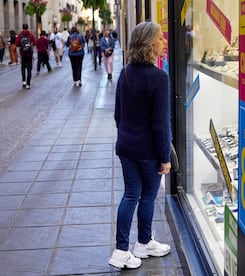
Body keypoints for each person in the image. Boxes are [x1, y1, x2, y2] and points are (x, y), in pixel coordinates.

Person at [109, 21, 171, 269]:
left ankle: (125, 249)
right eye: (160, 38)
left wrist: (128, 136)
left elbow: (117, 115)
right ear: (149, 44)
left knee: (130, 195)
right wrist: (165, 158)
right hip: (147, 151)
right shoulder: (159, 78)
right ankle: (140, 244)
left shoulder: (125, 73)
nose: (164, 42)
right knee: (146, 197)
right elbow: (161, 124)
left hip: (126, 147)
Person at [15, 23, 36, 89]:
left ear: (22, 27)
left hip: (22, 54)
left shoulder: (20, 35)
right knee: (29, 69)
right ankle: (28, 84)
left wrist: (20, 52)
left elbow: (17, 44)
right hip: (29, 54)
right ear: (28, 27)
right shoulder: (31, 35)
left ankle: (24, 81)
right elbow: (35, 43)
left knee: (23, 68)